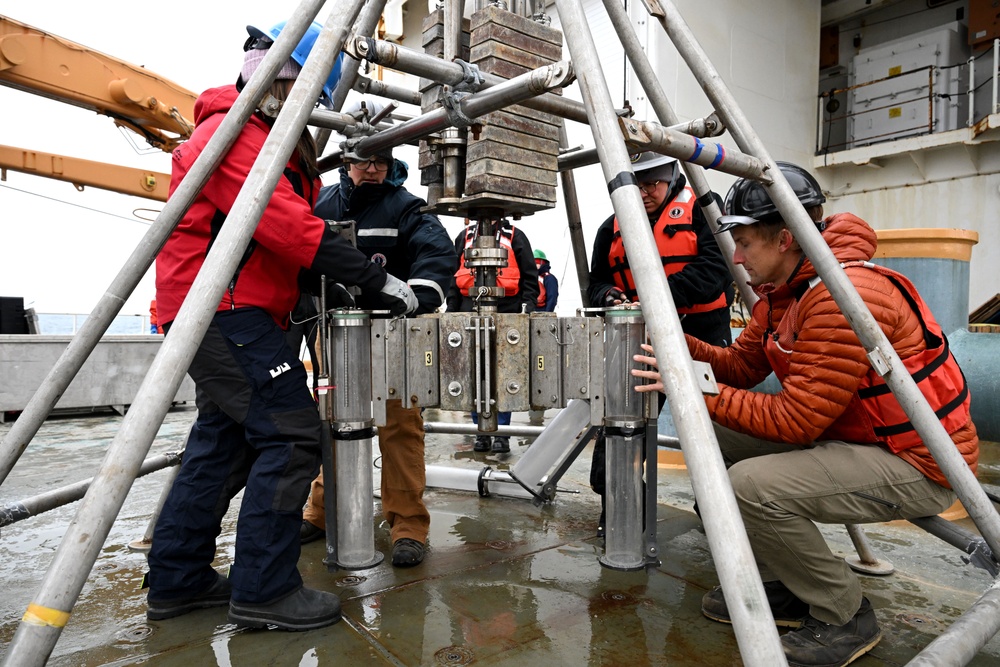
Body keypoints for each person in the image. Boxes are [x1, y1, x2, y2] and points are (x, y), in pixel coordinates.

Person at [630, 162, 979, 667]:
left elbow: (798, 421)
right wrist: (672, 340)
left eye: (746, 243)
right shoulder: (785, 292)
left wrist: (689, 387)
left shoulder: (840, 295)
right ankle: (789, 583)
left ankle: (845, 613)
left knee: (752, 486)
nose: (739, 257)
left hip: (916, 461)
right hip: (861, 440)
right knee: (709, 433)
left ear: (787, 239)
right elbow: (743, 366)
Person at [146, 22, 418, 632]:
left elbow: (285, 239)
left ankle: (177, 579)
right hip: (223, 310)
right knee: (293, 434)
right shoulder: (232, 134)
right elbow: (287, 227)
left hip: (231, 309)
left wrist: (342, 280)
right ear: (280, 84)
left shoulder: (268, 143)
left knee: (225, 443)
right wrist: (379, 282)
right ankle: (264, 590)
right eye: (304, 93)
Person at [298, 98, 457, 567]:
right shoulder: (318, 203)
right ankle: (321, 512)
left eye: (381, 160)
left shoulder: (407, 208)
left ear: (390, 164)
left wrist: (416, 295)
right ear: (347, 162)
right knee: (333, 421)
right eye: (364, 159)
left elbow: (437, 256)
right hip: (330, 337)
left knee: (400, 428)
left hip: (392, 340)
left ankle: (408, 525)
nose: (372, 168)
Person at [588, 151, 734, 535]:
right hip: (638, 337)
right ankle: (620, 505)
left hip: (703, 332)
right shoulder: (610, 228)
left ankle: (719, 513)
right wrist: (608, 297)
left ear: (671, 177)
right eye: (636, 183)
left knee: (720, 423)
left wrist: (653, 295)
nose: (644, 191)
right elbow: (597, 282)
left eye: (652, 182)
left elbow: (716, 271)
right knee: (620, 421)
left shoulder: (702, 212)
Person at [447, 217, 539, 453]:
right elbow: (451, 275)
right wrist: (452, 310)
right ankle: (481, 431)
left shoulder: (516, 236)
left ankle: (503, 433)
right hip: (469, 311)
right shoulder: (464, 237)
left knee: (503, 372)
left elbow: (529, 274)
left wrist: (528, 306)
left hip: (506, 311)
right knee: (475, 374)